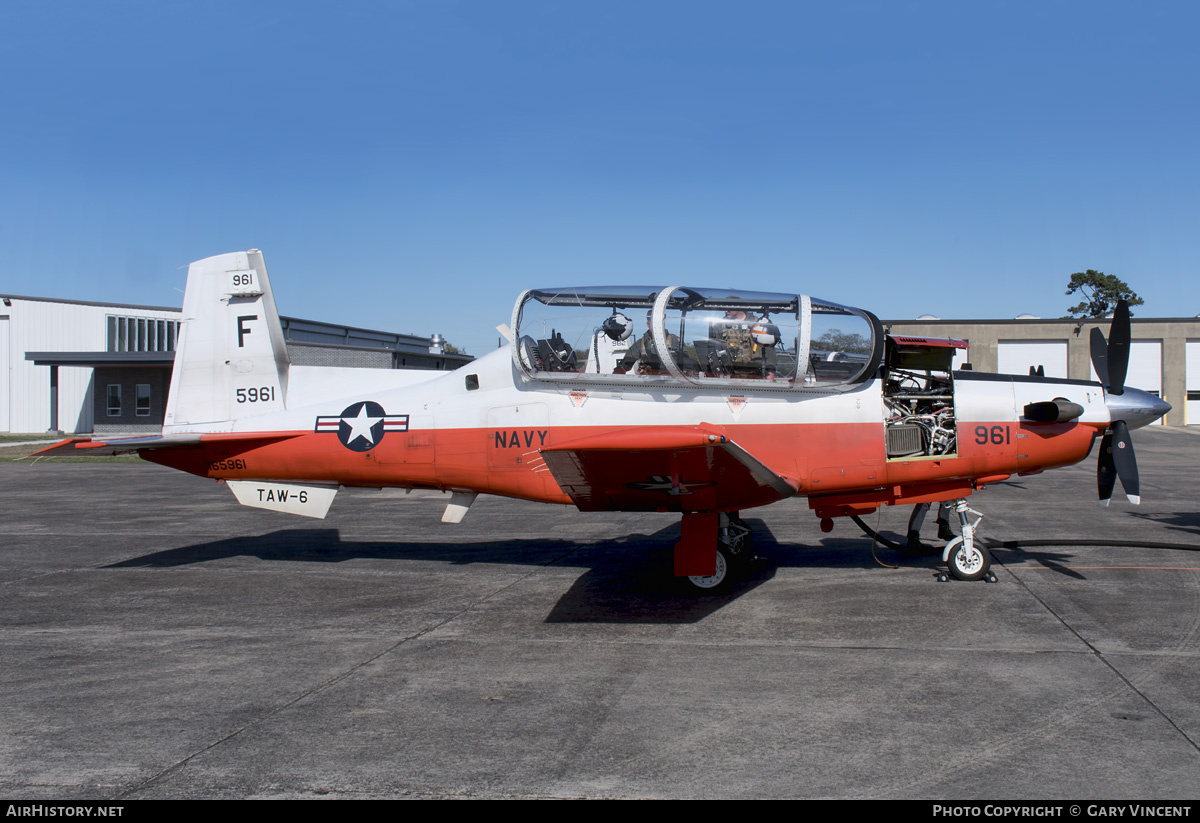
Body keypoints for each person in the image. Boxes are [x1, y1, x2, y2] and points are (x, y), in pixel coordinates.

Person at [713, 308, 777, 379]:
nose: (726, 311)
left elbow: (769, 348)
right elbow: (714, 349)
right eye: (725, 308)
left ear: (739, 308)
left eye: (729, 309)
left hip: (756, 374)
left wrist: (770, 372)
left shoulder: (759, 324)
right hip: (730, 374)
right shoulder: (719, 326)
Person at [614, 310, 680, 375]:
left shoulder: (674, 341)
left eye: (661, 322)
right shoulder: (641, 344)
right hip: (648, 384)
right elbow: (624, 365)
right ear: (648, 324)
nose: (659, 325)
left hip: (672, 383)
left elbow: (687, 365)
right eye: (655, 322)